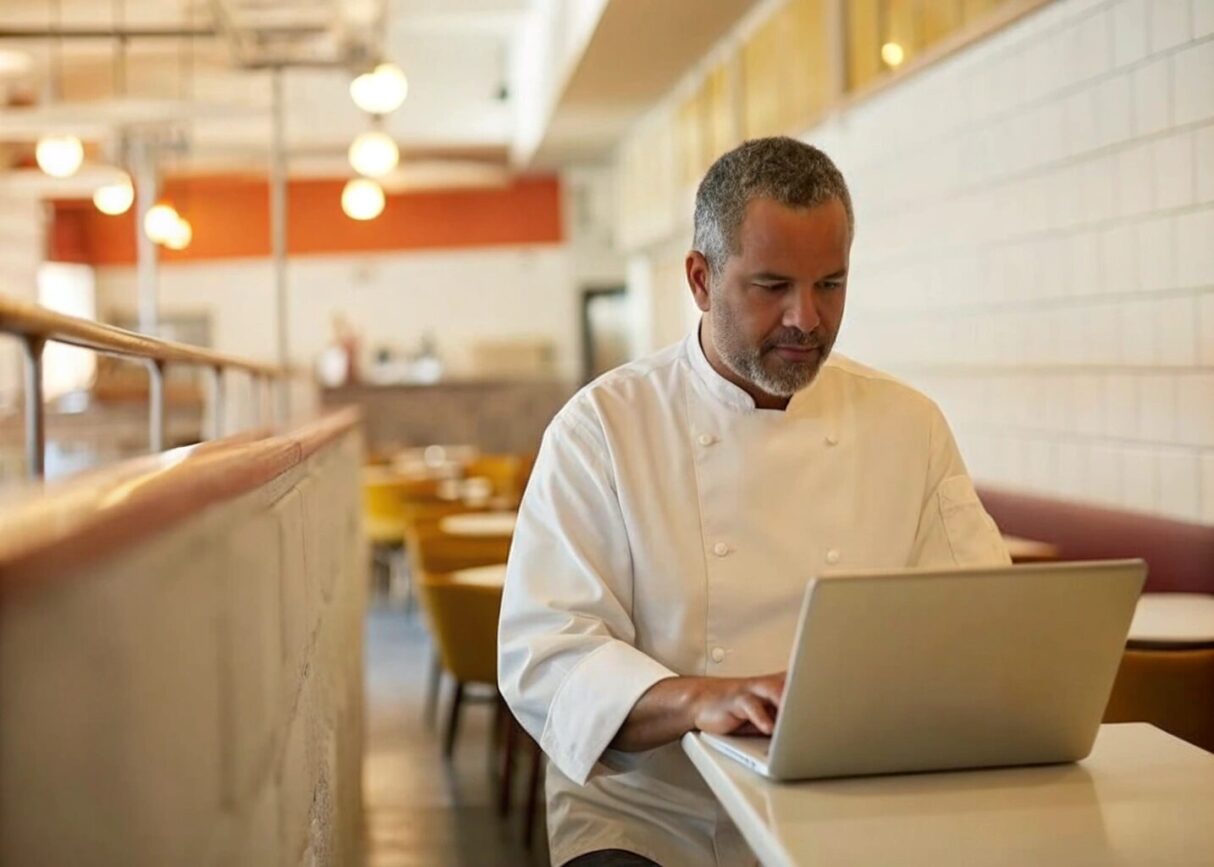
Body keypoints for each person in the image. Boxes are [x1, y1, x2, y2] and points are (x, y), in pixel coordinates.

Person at [498, 137, 1010, 867]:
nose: (806, 318)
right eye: (772, 286)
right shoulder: (603, 428)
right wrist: (699, 698)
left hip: (856, 810)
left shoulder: (908, 423)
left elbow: (982, 618)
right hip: (655, 818)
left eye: (830, 284)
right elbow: (544, 655)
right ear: (701, 279)